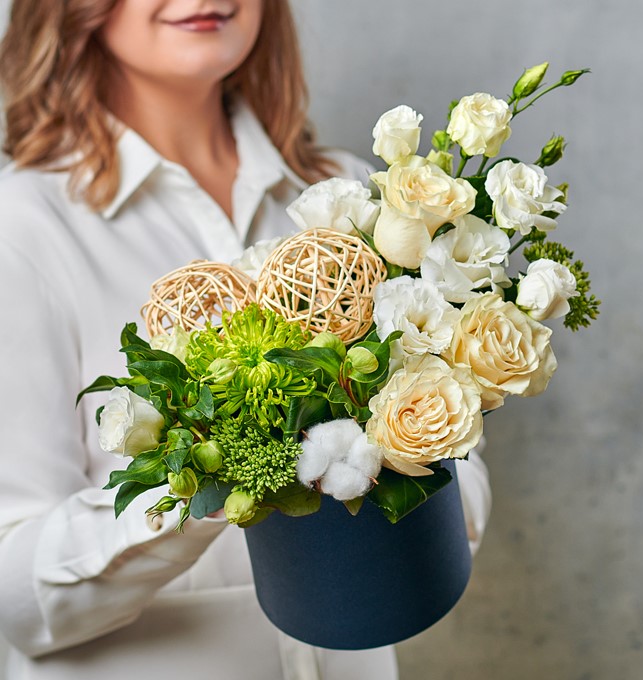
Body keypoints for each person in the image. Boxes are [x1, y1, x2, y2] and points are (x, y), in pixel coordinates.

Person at [0, 1, 492, 678]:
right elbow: (16, 598)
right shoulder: (23, 229)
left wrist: (396, 452)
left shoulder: (350, 199)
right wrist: (203, 482)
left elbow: (462, 491)